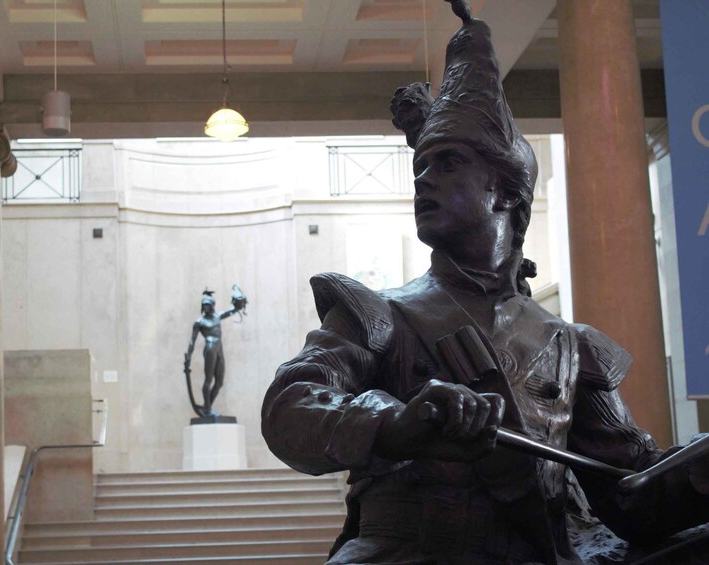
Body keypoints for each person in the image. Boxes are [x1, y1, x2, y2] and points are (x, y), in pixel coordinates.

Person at [261, 1, 709, 563]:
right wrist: (395, 423)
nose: (423, 181)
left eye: (447, 163)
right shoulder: (376, 316)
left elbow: (631, 496)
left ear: (506, 192)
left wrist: (696, 471)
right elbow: (291, 406)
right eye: (420, 167)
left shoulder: (573, 348)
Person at [187, 287, 246, 416]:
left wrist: (239, 303)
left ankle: (207, 407)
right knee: (208, 379)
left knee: (219, 382)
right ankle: (208, 409)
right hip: (210, 348)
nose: (206, 307)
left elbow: (231, 311)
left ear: (212, 305)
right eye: (204, 305)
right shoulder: (199, 322)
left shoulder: (217, 316)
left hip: (219, 348)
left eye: (208, 304)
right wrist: (188, 357)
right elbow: (192, 341)